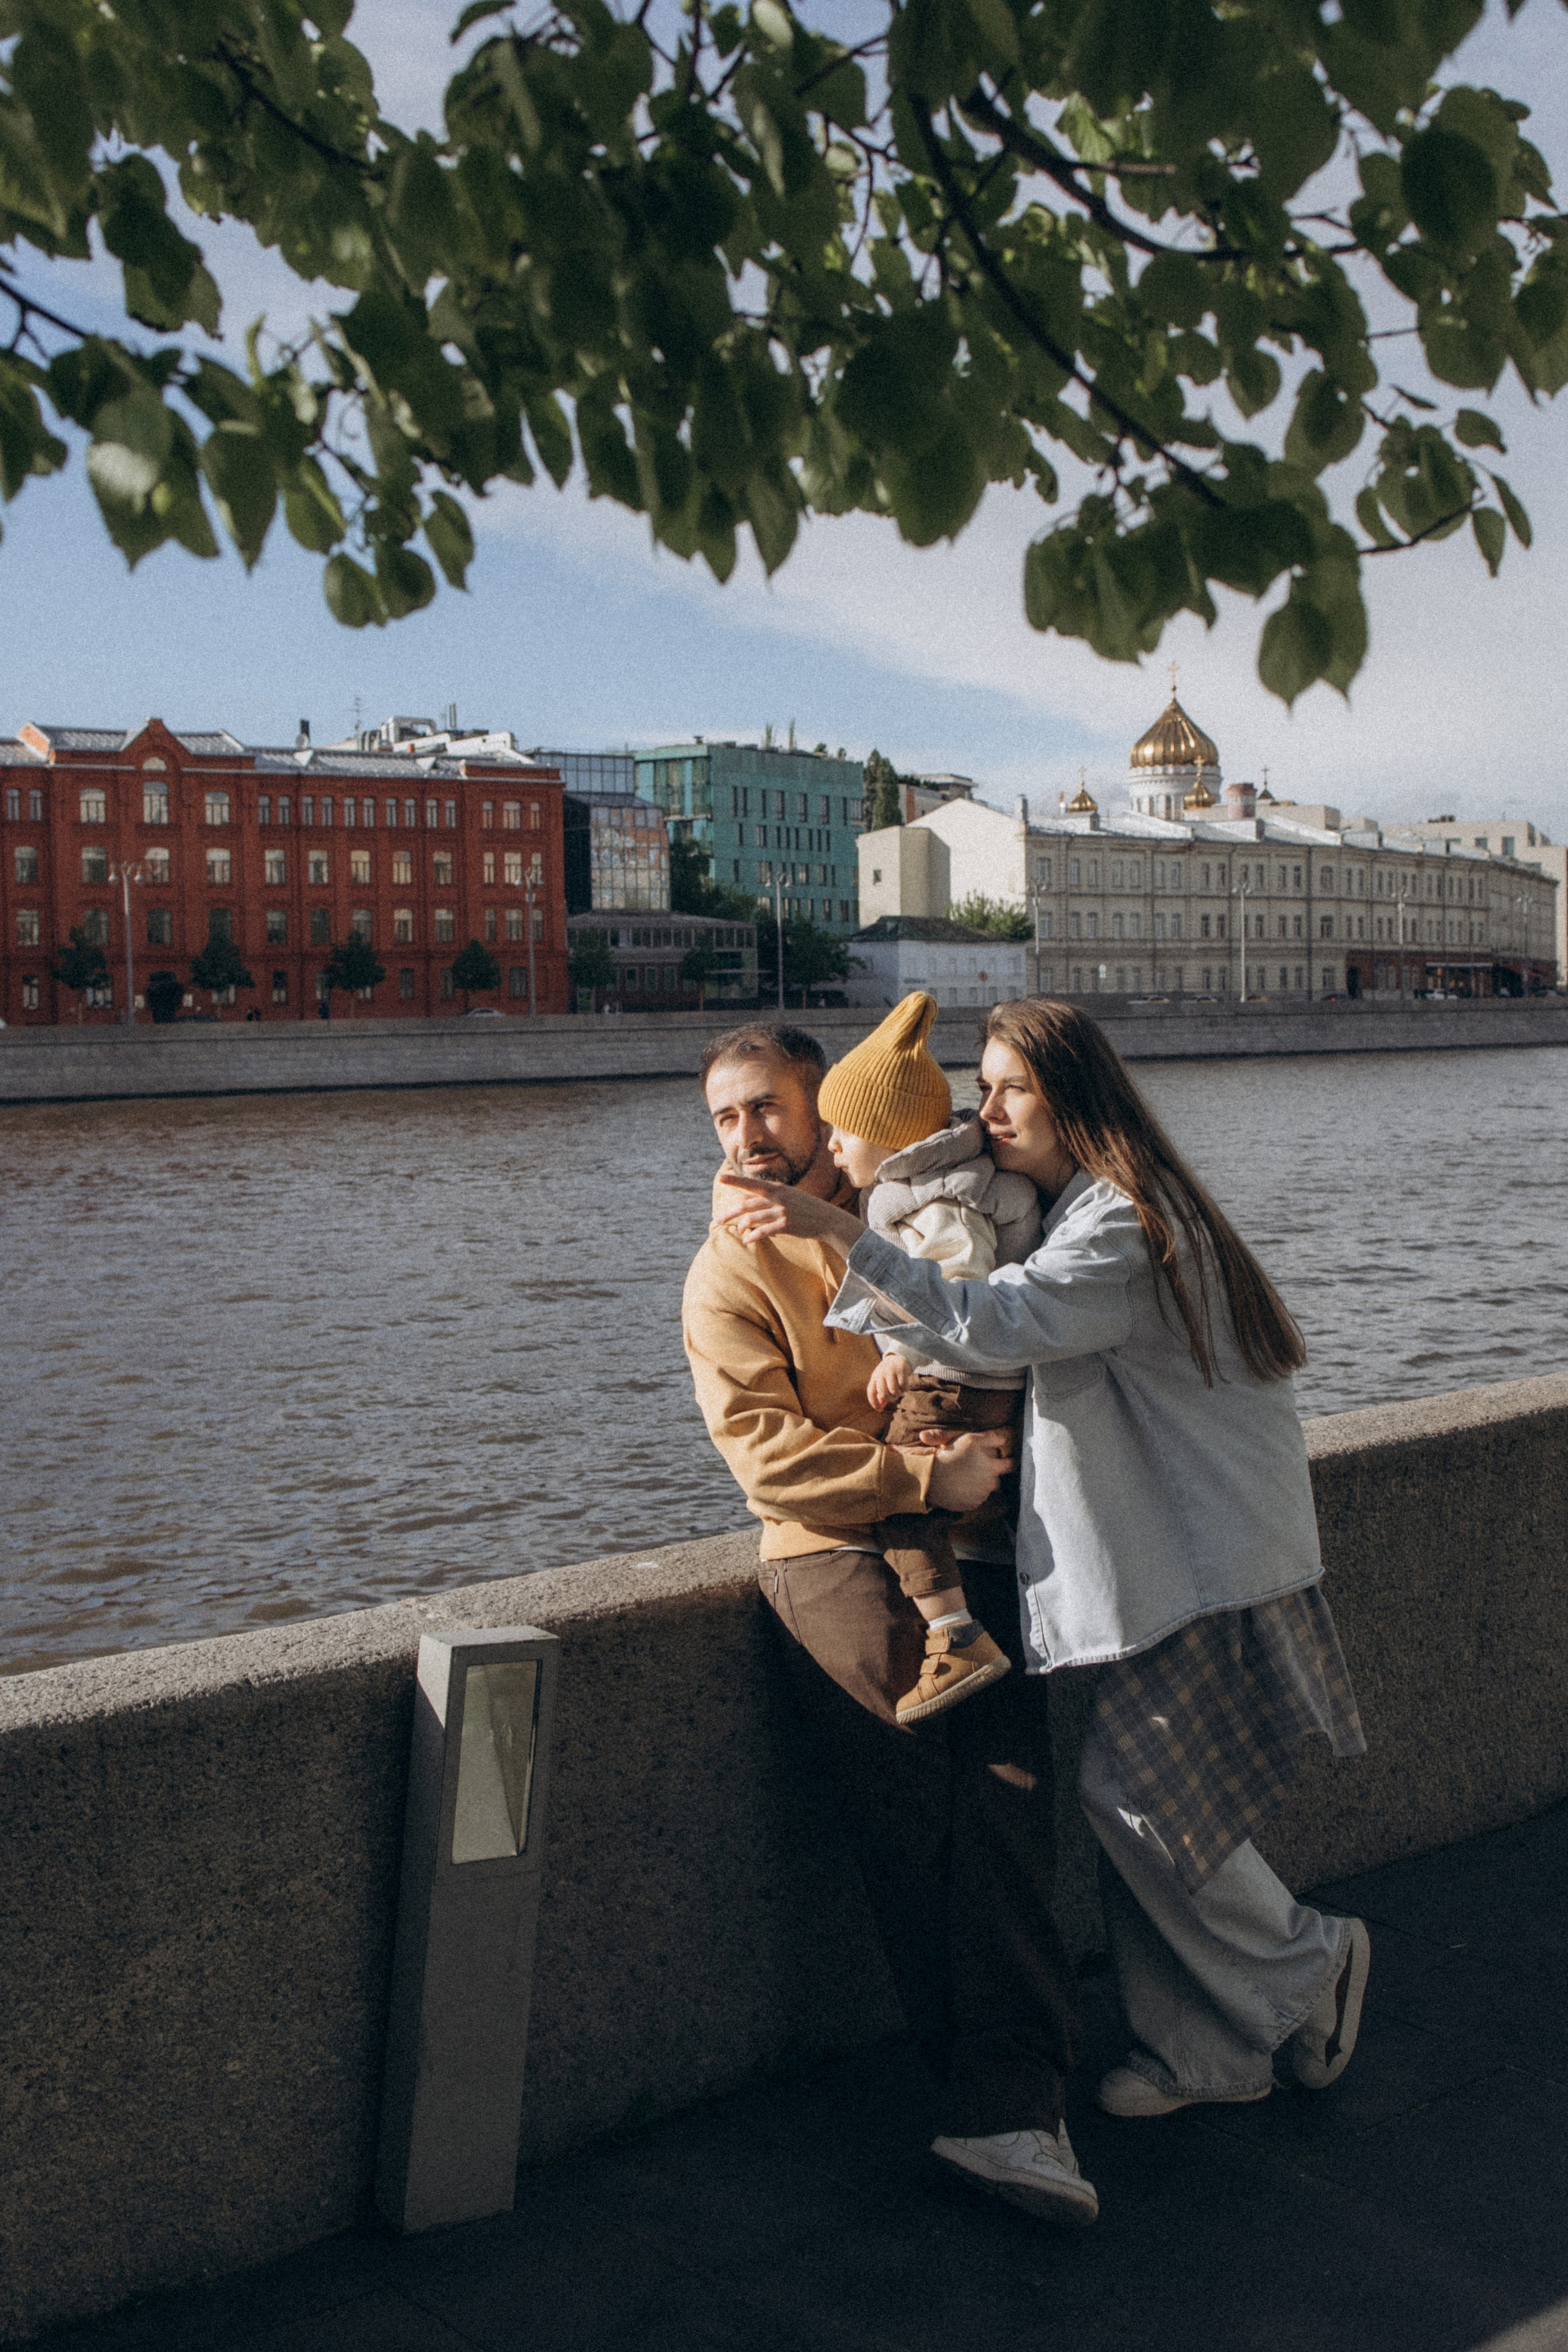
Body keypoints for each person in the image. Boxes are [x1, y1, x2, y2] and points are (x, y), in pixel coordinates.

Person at [718, 998, 1370, 2129]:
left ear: (1077, 1095)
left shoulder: (1119, 1219)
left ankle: (1306, 1964)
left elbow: (997, 1324)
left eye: (1014, 1085)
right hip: (1177, 1545)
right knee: (1149, 1800)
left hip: (1198, 1551)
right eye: (985, 1083)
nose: (989, 1106)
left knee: (1140, 1800)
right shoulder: (1083, 1206)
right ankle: (1210, 2047)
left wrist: (843, 1238)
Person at [684, 1020, 1098, 2227]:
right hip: (830, 1556)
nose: (746, 1135)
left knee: (1013, 1798)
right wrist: (920, 1480)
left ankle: (1022, 2104)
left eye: (765, 1106)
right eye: (724, 1116)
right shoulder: (726, 1271)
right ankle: (995, 2101)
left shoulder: (923, 1202)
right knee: (916, 1814)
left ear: (828, 1111)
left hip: (972, 1549)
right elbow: (764, 1464)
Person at [813, 992, 1041, 1725]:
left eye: (840, 1131)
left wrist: (904, 1355)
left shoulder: (932, 1201)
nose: (832, 1149)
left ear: (883, 1134)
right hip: (972, 1384)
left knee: (903, 1505)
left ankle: (955, 1635)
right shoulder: (924, 1187)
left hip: (951, 1384)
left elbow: (958, 1288)